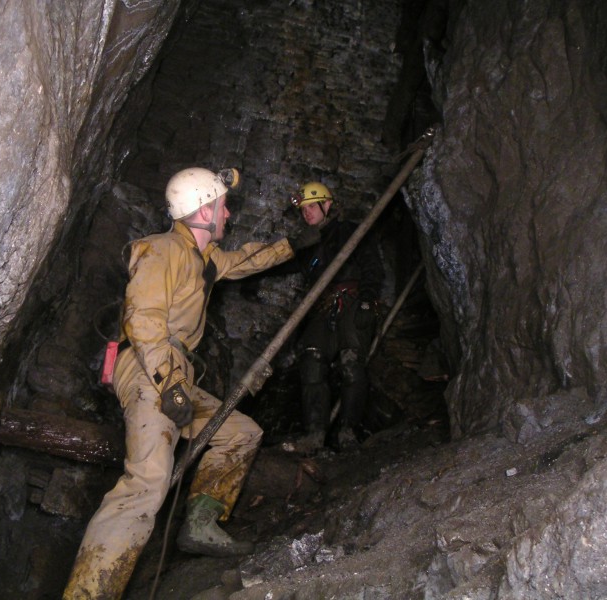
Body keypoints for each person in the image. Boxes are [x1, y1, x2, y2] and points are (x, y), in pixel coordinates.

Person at [64, 167, 299, 599]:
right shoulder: (163, 250)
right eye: (223, 206)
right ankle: (87, 594)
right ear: (204, 210)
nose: (228, 214)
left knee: (240, 432)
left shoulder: (204, 259)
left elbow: (248, 259)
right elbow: (143, 319)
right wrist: (168, 382)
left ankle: (202, 522)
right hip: (151, 368)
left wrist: (294, 245)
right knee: (146, 484)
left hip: (176, 375)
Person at [287, 181, 384, 454]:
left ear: (327, 204)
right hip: (324, 305)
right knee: (312, 360)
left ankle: (348, 433)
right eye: (303, 209)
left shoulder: (350, 232)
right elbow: (287, 265)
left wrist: (366, 301)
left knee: (351, 364)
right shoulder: (311, 244)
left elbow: (371, 265)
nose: (307, 213)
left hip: (352, 300)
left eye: (311, 207)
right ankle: (315, 435)